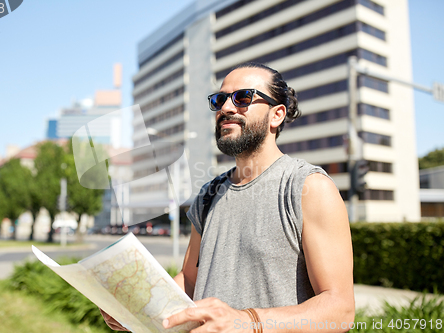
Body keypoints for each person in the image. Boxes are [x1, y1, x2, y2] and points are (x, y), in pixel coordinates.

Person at [102, 62, 355, 332]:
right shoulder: (208, 196)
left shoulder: (308, 187)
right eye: (220, 99)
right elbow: (189, 281)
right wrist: (137, 309)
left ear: (277, 115)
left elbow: (339, 310)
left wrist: (249, 322)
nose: (226, 108)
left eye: (243, 97)